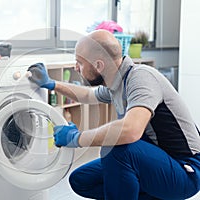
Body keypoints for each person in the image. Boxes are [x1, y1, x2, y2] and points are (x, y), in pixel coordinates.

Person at [27, 29, 200, 200]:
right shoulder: (117, 82)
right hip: (159, 160)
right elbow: (87, 95)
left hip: (185, 169)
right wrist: (51, 84)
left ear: (99, 65)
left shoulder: (141, 78)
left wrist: (76, 138)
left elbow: (130, 130)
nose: (76, 68)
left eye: (79, 62)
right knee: (82, 180)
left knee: (117, 148)